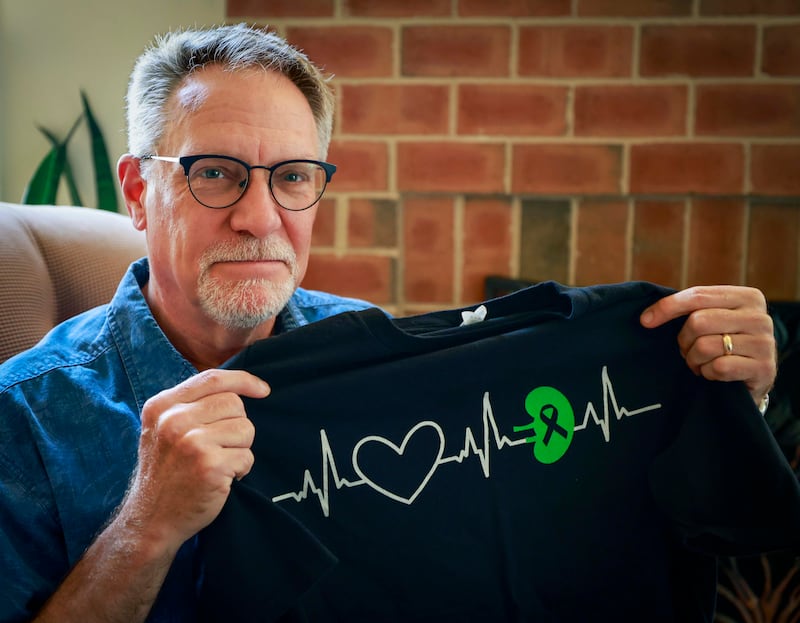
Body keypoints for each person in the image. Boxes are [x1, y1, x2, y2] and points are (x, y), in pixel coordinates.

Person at [0, 24, 778, 623]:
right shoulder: (26, 412)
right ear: (137, 191)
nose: (259, 216)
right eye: (215, 174)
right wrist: (146, 525)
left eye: (293, 177)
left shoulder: (373, 352)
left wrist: (715, 390)